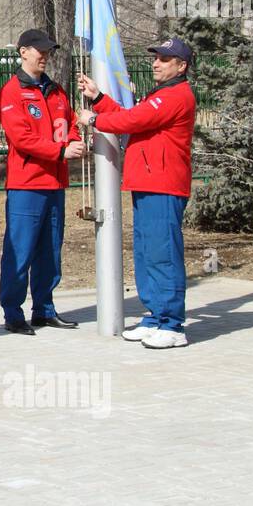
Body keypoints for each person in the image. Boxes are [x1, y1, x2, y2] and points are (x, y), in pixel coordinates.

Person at [77, 36, 197, 348]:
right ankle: (155, 316)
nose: (156, 63)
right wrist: (99, 97)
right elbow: (133, 120)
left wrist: (95, 118)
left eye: (164, 59)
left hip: (164, 185)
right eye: (155, 58)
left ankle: (172, 324)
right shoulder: (160, 94)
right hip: (146, 183)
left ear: (181, 66)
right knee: (146, 254)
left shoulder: (175, 95)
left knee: (163, 255)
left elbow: (133, 119)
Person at [0, 29, 86, 335]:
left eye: (48, 51)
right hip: (27, 185)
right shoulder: (11, 92)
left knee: (50, 250)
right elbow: (22, 138)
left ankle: (44, 309)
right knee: (20, 250)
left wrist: (74, 142)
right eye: (39, 50)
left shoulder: (56, 91)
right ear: (23, 52)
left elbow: (70, 124)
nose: (44, 55)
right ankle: (13, 312)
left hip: (55, 184)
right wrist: (60, 152)